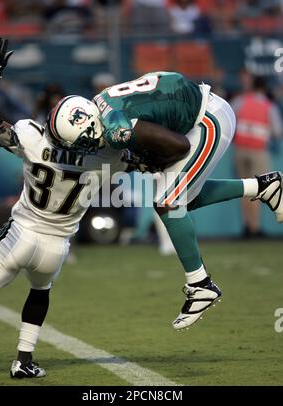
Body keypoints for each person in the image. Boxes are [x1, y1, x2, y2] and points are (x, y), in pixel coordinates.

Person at [76, 71, 283, 330]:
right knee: (180, 200)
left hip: (207, 120)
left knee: (168, 202)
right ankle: (265, 186)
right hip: (198, 114)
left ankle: (200, 285)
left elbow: (179, 147)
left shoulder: (118, 124)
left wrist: (148, 160)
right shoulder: (101, 106)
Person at [0, 38, 124, 378]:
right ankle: (24, 360)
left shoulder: (31, 137)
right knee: (40, 291)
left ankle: (25, 360)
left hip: (19, 237)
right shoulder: (109, 160)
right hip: (56, 249)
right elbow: (139, 154)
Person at [232, 74, 283, 238]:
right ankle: (255, 228)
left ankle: (247, 226)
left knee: (244, 190)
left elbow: (229, 120)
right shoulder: (269, 106)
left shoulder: (241, 101)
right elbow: (277, 132)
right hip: (259, 151)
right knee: (258, 190)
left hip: (240, 149)